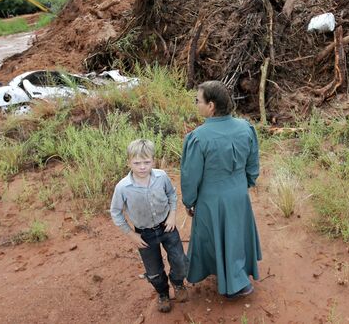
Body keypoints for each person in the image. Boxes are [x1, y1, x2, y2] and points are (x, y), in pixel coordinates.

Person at [181, 80, 261, 299]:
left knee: (213, 235)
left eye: (198, 101)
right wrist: (242, 185)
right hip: (238, 194)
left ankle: (235, 285)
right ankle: (237, 274)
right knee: (234, 234)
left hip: (211, 199)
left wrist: (189, 201)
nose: (196, 104)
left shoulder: (198, 137)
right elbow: (253, 166)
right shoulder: (246, 127)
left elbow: (190, 177)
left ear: (211, 106)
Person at [110, 139, 189, 313]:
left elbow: (172, 195)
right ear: (128, 162)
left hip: (167, 227)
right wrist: (131, 234)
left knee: (180, 261)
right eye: (137, 163)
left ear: (154, 160)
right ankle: (162, 293)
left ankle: (177, 283)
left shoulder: (161, 176)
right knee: (153, 270)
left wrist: (172, 215)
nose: (142, 167)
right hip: (144, 234)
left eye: (147, 162)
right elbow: (116, 213)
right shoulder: (123, 187)